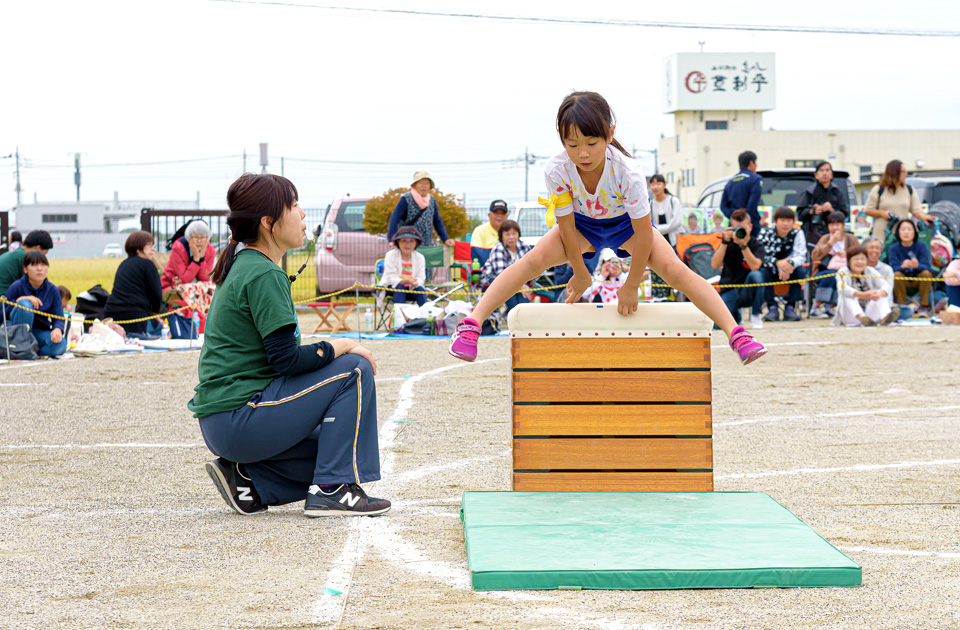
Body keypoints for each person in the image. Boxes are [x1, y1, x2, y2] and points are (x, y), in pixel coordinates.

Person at [448, 91, 766, 365]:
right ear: (561, 140)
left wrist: (629, 285)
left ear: (610, 133)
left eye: (591, 142)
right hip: (582, 226)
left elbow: (643, 233)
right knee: (530, 262)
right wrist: (580, 271)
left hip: (626, 226)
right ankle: (472, 324)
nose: (582, 153)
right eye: (571, 144)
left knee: (675, 269)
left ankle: (737, 334)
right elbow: (566, 225)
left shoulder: (628, 172)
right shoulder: (556, 169)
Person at [189, 173, 389, 518]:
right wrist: (339, 345)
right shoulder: (264, 273)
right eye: (294, 206)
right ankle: (332, 490)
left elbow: (278, 355)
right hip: (241, 418)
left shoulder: (244, 263)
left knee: (337, 450)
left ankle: (248, 480)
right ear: (269, 223)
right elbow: (286, 360)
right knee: (355, 369)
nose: (302, 215)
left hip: (223, 424)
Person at [2, 250, 67, 357]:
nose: (39, 269)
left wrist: (57, 329)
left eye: (43, 264)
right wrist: (20, 300)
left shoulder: (53, 290)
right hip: (16, 334)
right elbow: (2, 313)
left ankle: (31, 352)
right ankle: (20, 349)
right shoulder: (17, 286)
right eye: (34, 265)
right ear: (25, 269)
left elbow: (58, 317)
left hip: (38, 333)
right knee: (25, 305)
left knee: (61, 345)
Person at [713, 209, 766, 329]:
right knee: (717, 325)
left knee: (757, 275)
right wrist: (724, 242)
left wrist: (743, 245)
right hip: (730, 289)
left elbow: (755, 266)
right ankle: (736, 316)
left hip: (748, 290)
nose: (740, 232)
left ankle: (756, 314)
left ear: (750, 227)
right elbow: (715, 265)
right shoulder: (728, 243)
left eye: (743, 229)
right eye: (736, 229)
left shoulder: (756, 244)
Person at [102, 231, 164, 336]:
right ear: (138, 249)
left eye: (153, 245)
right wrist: (154, 314)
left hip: (111, 314)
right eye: (149, 245)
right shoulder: (148, 264)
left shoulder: (123, 264)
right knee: (161, 328)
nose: (152, 248)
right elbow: (157, 294)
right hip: (135, 318)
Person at [161, 219, 217, 323]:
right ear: (189, 238)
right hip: (172, 284)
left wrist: (202, 258)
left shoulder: (210, 249)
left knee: (211, 288)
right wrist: (196, 258)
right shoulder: (178, 247)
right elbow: (186, 279)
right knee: (192, 289)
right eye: (196, 237)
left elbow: (204, 278)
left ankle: (208, 321)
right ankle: (197, 321)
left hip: (193, 286)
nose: (199, 241)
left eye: (203, 237)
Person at [757, 207, 807, 322]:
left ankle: (790, 307)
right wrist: (778, 263)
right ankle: (772, 307)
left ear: (793, 222)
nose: (785, 224)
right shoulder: (766, 233)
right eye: (782, 220)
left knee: (801, 271)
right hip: (771, 270)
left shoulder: (798, 233)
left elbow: (801, 256)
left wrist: (789, 264)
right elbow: (761, 255)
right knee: (763, 272)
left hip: (791, 271)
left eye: (789, 221)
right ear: (775, 221)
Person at [863, 160, 934, 238]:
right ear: (894, 173)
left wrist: (923, 216)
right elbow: (868, 210)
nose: (906, 174)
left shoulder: (909, 189)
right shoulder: (879, 189)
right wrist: (882, 213)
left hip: (902, 236)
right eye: (903, 172)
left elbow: (916, 210)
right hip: (882, 235)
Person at [386, 170, 455, 249]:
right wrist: (392, 240)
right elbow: (395, 219)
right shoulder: (406, 198)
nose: (423, 186)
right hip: (408, 244)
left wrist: (445, 239)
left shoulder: (431, 200)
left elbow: (437, 221)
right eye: (420, 183)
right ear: (415, 185)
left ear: (429, 186)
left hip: (426, 243)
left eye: (426, 183)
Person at [809, 211, 859, 318]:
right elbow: (815, 256)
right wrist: (831, 242)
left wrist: (847, 255)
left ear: (843, 226)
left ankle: (830, 305)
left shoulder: (851, 239)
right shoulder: (825, 238)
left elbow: (859, 255)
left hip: (847, 271)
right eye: (831, 225)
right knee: (832, 276)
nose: (834, 228)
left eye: (837, 224)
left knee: (841, 276)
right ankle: (817, 305)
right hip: (823, 271)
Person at [834, 246, 898, 326]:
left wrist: (879, 294)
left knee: (879, 294)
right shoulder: (843, 271)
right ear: (849, 262)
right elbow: (842, 288)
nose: (860, 262)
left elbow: (886, 286)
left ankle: (885, 318)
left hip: (869, 315)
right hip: (850, 317)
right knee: (849, 296)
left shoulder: (870, 271)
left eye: (863, 259)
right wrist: (863, 295)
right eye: (856, 259)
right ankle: (862, 317)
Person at [480, 219, 534, 313]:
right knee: (515, 307)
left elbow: (532, 267)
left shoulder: (524, 247)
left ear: (518, 234)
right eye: (507, 234)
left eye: (514, 233)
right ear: (501, 236)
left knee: (523, 306)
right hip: (497, 280)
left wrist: (524, 284)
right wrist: (521, 285)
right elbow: (503, 275)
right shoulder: (498, 248)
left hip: (520, 282)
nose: (511, 237)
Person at [888, 218, 934, 317]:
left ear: (914, 232)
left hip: (918, 280)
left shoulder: (921, 246)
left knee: (926, 273)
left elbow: (927, 267)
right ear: (898, 232)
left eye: (909, 229)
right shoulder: (894, 248)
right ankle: (902, 306)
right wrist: (902, 267)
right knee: (897, 274)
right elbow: (891, 269)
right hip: (902, 281)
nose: (906, 232)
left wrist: (918, 266)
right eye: (903, 229)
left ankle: (923, 306)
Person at [796, 161, 849, 247]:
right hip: (811, 234)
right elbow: (800, 215)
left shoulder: (837, 192)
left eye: (827, 170)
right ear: (816, 175)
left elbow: (845, 214)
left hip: (833, 233)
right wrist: (812, 211)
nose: (825, 173)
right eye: (821, 170)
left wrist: (831, 210)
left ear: (831, 174)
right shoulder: (809, 192)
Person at [864, 236, 912, 321]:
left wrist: (879, 294)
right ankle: (882, 318)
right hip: (865, 304)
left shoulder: (887, 269)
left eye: (877, 248)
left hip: (883, 304)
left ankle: (885, 316)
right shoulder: (859, 268)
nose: (874, 251)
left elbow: (888, 291)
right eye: (871, 248)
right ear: (864, 250)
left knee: (908, 311)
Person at [381, 225, 428, 307]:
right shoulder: (390, 255)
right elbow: (390, 278)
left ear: (416, 243)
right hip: (393, 288)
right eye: (404, 241)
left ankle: (425, 317)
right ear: (398, 242)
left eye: (411, 241)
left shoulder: (420, 257)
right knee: (400, 288)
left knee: (420, 289)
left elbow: (421, 278)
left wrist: (416, 282)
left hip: (412, 288)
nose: (407, 244)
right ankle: (401, 318)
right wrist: (406, 281)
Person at [0, 230, 53, 295]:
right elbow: (40, 286)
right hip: (4, 299)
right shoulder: (26, 258)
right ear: (38, 248)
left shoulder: (14, 254)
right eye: (43, 255)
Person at [720, 151, 763, 226]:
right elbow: (753, 202)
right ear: (751, 163)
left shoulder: (730, 181)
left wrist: (734, 217)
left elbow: (723, 206)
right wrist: (745, 219)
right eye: (755, 162)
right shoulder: (756, 179)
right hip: (749, 224)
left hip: (733, 225)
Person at [648, 174, 683, 247]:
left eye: (658, 184)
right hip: (659, 244)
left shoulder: (673, 201)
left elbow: (677, 222)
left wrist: (657, 230)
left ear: (664, 185)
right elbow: (649, 225)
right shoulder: (650, 204)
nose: (655, 187)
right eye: (653, 184)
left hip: (676, 242)